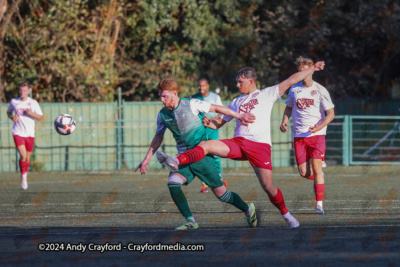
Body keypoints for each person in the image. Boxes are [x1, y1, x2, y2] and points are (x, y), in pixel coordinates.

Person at [157, 62, 326, 228]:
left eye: (240, 82)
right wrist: (209, 123)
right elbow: (219, 122)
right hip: (238, 143)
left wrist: (312, 69)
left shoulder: (267, 94)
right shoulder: (236, 101)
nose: (237, 85)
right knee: (206, 144)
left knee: (268, 187)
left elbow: (291, 80)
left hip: (259, 147)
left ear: (250, 81)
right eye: (237, 82)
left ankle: (286, 214)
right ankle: (178, 161)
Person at [135, 79, 257, 230]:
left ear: (174, 93)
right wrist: (146, 159)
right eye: (160, 96)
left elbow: (218, 108)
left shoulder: (192, 104)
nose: (162, 100)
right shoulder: (162, 115)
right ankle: (190, 220)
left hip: (203, 155)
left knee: (223, 196)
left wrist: (239, 116)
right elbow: (158, 137)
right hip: (182, 159)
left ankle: (248, 209)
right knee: (173, 183)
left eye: (164, 96)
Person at [280, 56, 335, 214]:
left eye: (305, 71)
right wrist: (284, 120)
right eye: (300, 71)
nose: (302, 74)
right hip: (299, 136)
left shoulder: (320, 90)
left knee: (316, 167)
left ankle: (319, 205)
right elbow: (289, 108)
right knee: (304, 173)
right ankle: (320, 177)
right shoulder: (294, 89)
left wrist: (319, 127)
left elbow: (330, 114)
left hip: (317, 136)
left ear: (311, 71)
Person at [191, 78, 227, 193]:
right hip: (200, 130)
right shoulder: (193, 98)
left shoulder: (215, 97)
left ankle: (219, 179)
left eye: (203, 85)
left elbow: (221, 111)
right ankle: (204, 183)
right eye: (199, 86)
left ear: (208, 86)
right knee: (201, 155)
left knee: (215, 155)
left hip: (212, 129)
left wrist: (211, 121)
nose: (201, 88)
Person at [7, 82, 43, 190]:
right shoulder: (14, 101)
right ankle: (23, 179)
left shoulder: (33, 103)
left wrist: (31, 113)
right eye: (20, 90)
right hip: (18, 132)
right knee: (23, 156)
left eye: (24, 90)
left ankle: (24, 175)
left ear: (28, 91)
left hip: (30, 134)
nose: (22, 92)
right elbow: (8, 112)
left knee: (27, 158)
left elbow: (40, 117)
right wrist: (12, 117)